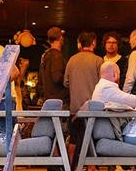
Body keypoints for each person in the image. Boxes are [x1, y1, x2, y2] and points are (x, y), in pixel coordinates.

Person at [64, 31, 103, 162]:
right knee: (90, 137)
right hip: (92, 108)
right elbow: (103, 83)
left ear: (80, 44)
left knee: (74, 138)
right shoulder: (98, 60)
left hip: (74, 108)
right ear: (93, 43)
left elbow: (66, 82)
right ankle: (91, 167)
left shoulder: (71, 60)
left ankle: (70, 167)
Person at [39, 27, 67, 103]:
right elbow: (57, 78)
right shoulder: (57, 56)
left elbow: (40, 81)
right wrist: (69, 78)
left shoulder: (44, 55)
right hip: (58, 100)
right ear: (60, 38)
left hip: (48, 100)